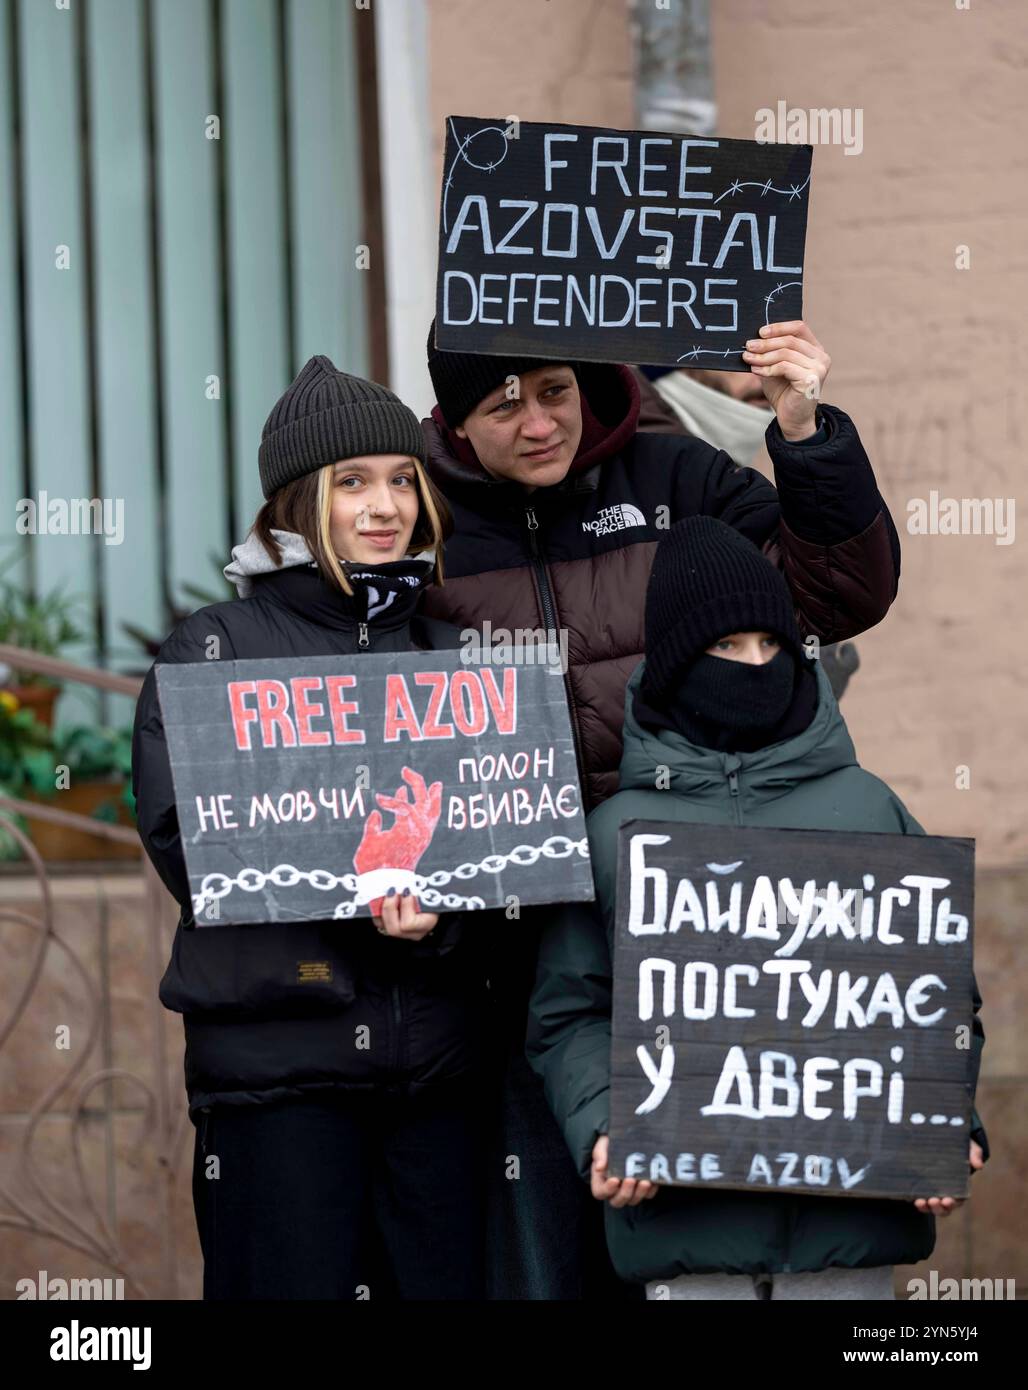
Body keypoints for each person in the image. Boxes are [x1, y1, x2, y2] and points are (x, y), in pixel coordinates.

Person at [419, 318, 902, 1299]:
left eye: (552, 387)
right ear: (456, 421)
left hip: (706, 944)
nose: (538, 420)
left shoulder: (677, 478)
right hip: (524, 965)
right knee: (546, 1254)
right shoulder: (421, 524)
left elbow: (841, 590)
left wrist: (801, 426)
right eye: (500, 402)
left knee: (700, 1262)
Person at [527, 516, 989, 1301]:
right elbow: (569, 1014)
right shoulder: (614, 835)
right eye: (726, 647)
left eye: (769, 645)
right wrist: (605, 1128)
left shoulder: (869, 807)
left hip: (852, 1238)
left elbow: (937, 1003)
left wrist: (945, 1125)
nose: (753, 664)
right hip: (685, 1237)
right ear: (677, 665)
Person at [131, 357, 493, 1300]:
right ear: (298, 502)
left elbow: (495, 843)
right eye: (353, 483)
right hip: (279, 1077)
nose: (386, 506)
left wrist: (443, 917)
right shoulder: (215, 649)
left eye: (403, 479)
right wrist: (350, 889)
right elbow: (188, 837)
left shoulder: (454, 655)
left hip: (435, 1076)